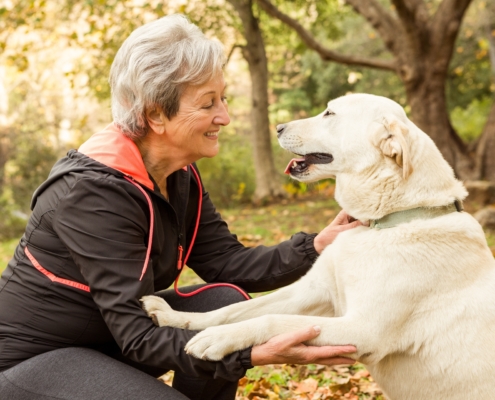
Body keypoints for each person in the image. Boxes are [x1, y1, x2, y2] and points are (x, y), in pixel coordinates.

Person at [0, 14, 362, 400]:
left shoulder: (178, 174)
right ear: (155, 113)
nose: (223, 116)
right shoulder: (90, 194)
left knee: (223, 301)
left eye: (223, 99)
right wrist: (251, 353)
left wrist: (318, 246)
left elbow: (226, 264)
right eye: (209, 104)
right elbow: (139, 337)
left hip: (113, 341)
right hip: (35, 359)